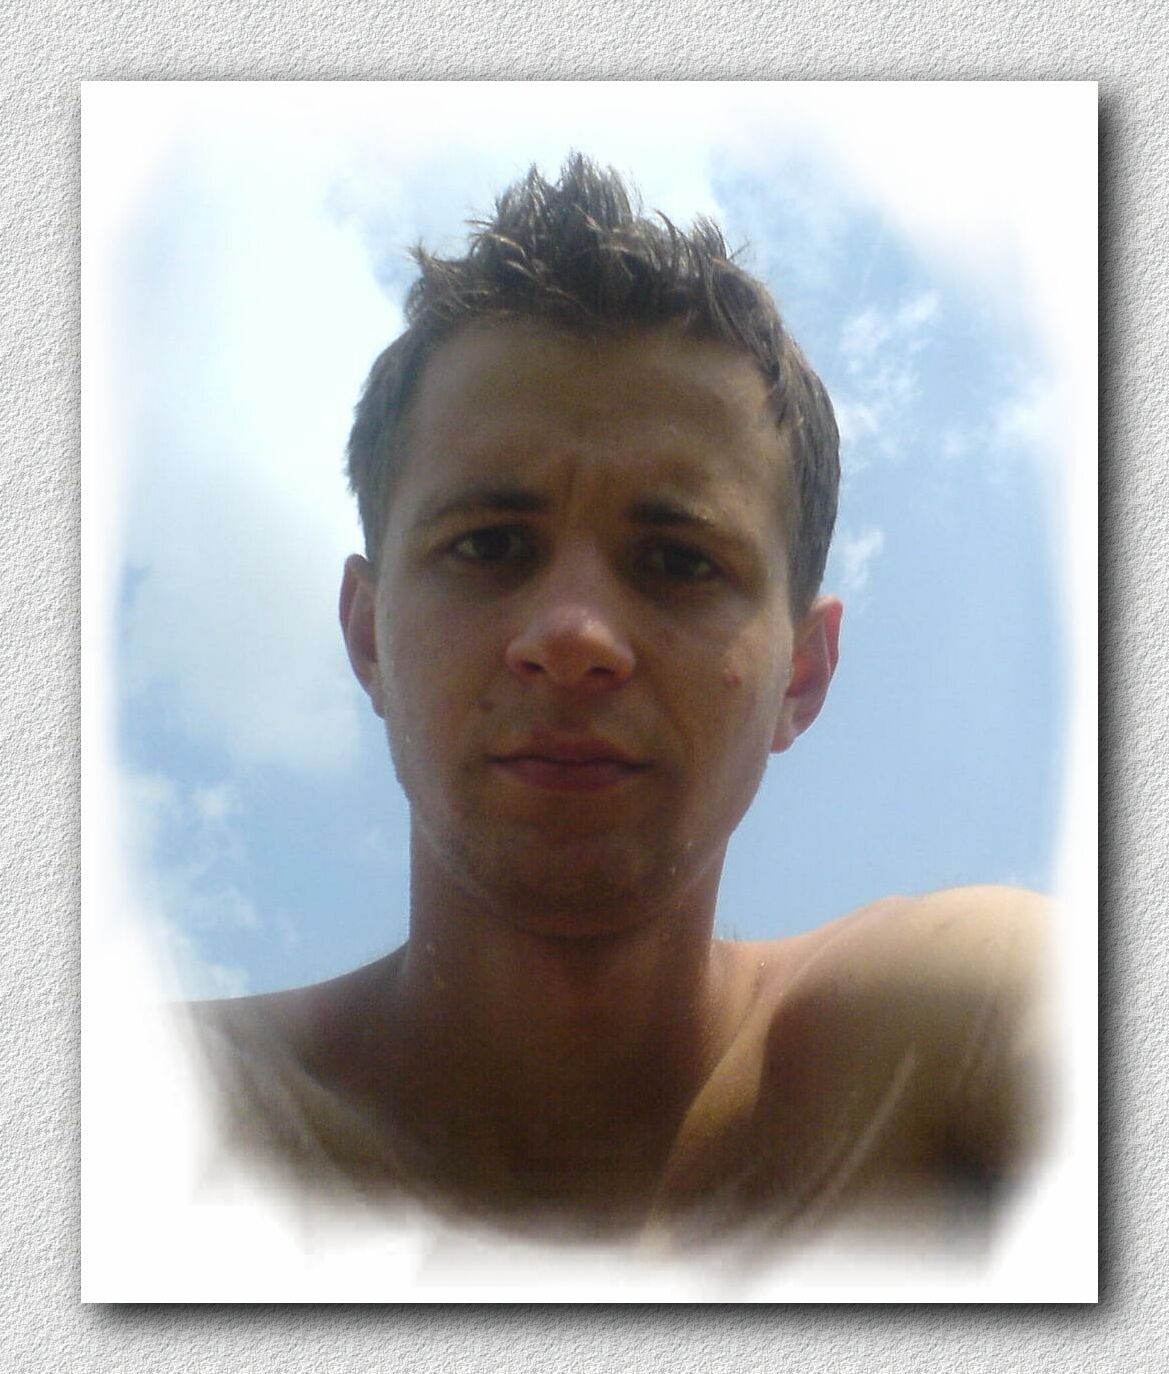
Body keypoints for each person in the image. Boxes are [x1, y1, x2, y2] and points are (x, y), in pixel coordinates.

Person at [189, 156, 1048, 1253]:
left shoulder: (944, 1033)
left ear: (801, 675)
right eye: (488, 546)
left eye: (678, 562)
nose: (571, 638)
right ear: (368, 637)